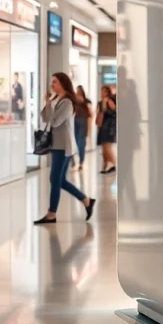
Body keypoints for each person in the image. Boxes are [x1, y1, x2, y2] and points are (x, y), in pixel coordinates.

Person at [34, 72, 94, 224]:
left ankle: (52, 213)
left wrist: (49, 106)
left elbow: (55, 122)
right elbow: (46, 118)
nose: (51, 85)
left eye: (54, 82)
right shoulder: (55, 98)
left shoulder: (67, 101)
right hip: (57, 144)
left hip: (63, 145)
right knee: (59, 180)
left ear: (62, 83)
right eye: (51, 82)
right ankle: (86, 200)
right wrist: (48, 102)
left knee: (55, 179)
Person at [97, 85, 117, 174]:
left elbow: (114, 111)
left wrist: (105, 105)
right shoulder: (100, 102)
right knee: (103, 147)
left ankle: (113, 163)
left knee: (107, 146)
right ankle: (106, 165)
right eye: (102, 91)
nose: (102, 93)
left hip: (109, 126)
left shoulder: (109, 101)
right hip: (102, 125)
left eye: (104, 91)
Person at [73, 85, 93, 170]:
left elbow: (90, 113)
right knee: (75, 142)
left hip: (83, 121)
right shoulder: (74, 100)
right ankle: (76, 161)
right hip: (75, 120)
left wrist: (89, 128)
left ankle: (81, 162)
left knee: (81, 142)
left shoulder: (86, 101)